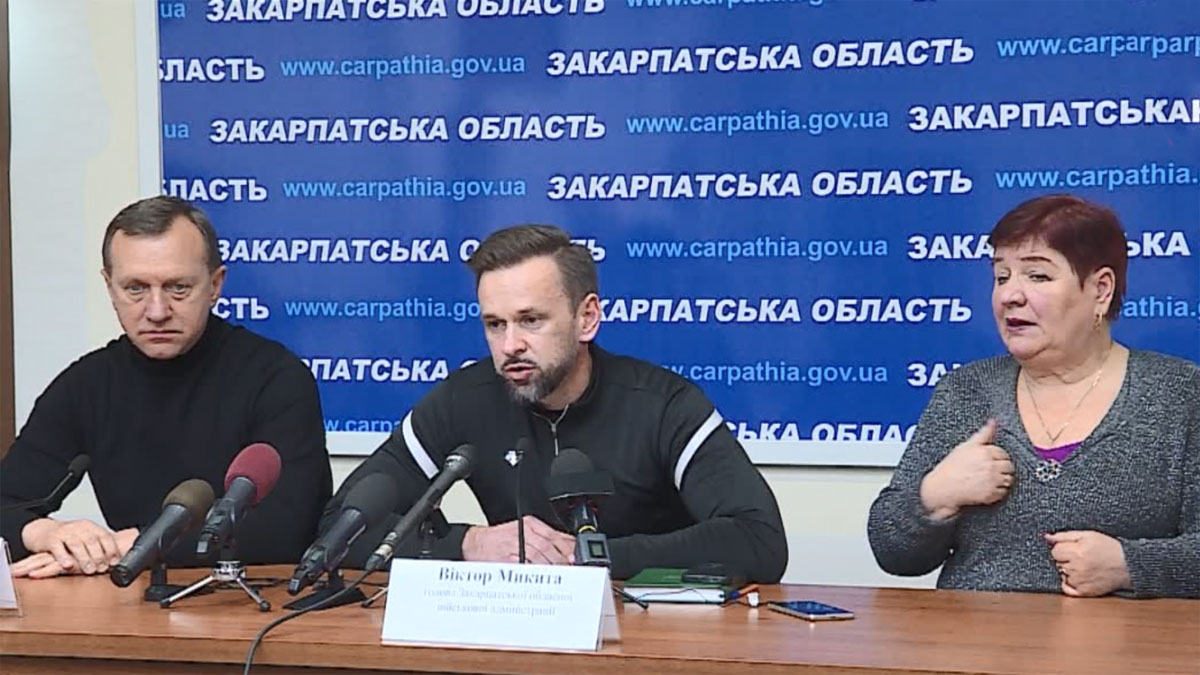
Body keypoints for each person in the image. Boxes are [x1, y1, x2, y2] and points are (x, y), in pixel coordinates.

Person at [324, 225, 787, 582]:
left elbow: (759, 539)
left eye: (530, 320)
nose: (510, 345)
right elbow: (337, 528)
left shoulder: (663, 404)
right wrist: (467, 545)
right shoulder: (465, 399)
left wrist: (589, 557)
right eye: (495, 324)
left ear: (587, 318)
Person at [867, 194, 1198, 598]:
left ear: (1100, 290)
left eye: (1037, 276)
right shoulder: (966, 392)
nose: (1010, 295)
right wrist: (936, 497)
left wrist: (1130, 566)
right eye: (1001, 276)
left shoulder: (1180, 395)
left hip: (1120, 639)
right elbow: (892, 553)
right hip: (972, 636)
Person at [0, 196, 333, 578]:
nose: (157, 311)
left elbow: (287, 527)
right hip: (133, 599)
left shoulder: (276, 377)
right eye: (135, 288)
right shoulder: (86, 385)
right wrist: (46, 534)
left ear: (215, 285)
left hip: (251, 600)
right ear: (109, 287)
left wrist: (130, 545)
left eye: (178, 288)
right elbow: (7, 500)